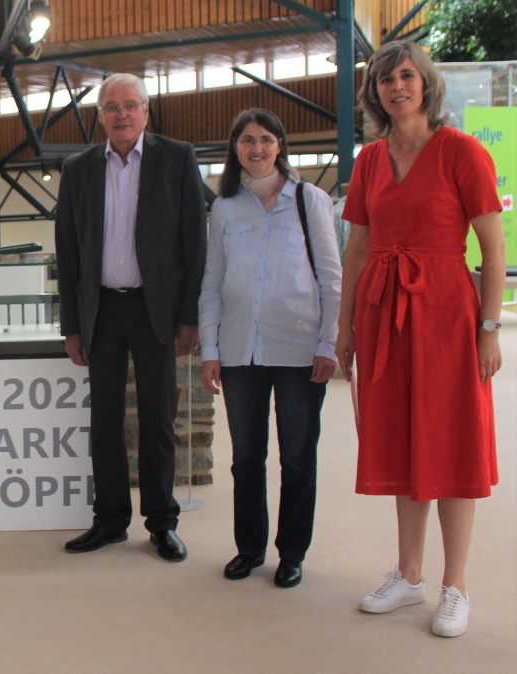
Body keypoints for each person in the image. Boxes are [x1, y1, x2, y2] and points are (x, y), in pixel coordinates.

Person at [336, 40, 504, 638]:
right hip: (383, 312)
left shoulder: (461, 152)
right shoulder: (371, 160)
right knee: (404, 441)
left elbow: (492, 245)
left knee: (453, 441)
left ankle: (454, 585)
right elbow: (356, 249)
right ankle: (409, 576)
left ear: (425, 85)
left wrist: (488, 328)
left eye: (406, 75)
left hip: (447, 314)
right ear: (375, 92)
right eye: (385, 79)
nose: (396, 86)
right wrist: (345, 327)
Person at [55, 72, 207, 561]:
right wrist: (72, 325)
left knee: (159, 419)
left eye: (130, 105)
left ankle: (162, 522)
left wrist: (190, 317)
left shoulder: (177, 158)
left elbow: (194, 243)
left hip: (155, 310)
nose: (121, 114)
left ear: (146, 110)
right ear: (99, 115)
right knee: (105, 422)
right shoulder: (77, 169)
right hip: (101, 309)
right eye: (111, 107)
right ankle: (111, 520)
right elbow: (69, 252)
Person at [199, 109, 342, 588]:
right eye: (246, 140)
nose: (256, 149)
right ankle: (250, 549)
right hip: (242, 352)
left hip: (299, 346)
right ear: (234, 148)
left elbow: (332, 278)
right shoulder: (224, 208)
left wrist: (329, 343)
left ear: (280, 144)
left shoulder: (310, 200)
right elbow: (212, 283)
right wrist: (211, 349)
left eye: (265, 139)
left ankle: (292, 552)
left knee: (298, 457)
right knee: (246, 459)